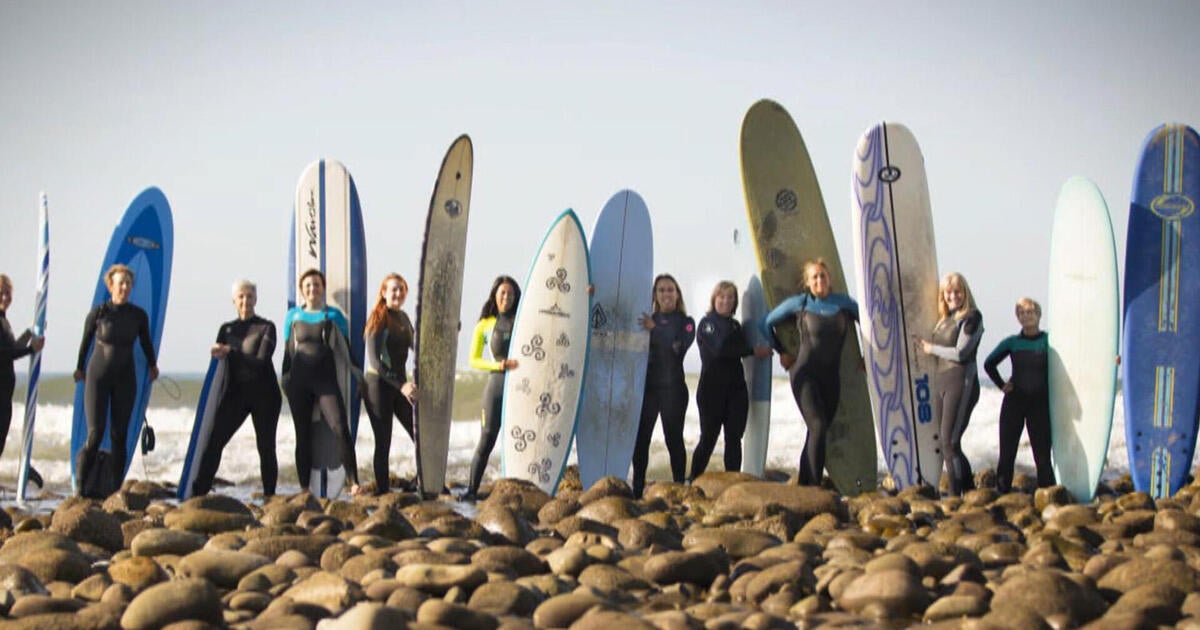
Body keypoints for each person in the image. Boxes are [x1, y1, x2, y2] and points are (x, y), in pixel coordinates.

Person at [760, 259, 859, 487]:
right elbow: (764, 324)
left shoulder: (845, 304)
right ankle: (814, 489)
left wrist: (868, 359)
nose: (819, 280)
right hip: (805, 375)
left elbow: (870, 328)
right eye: (814, 277)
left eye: (823, 276)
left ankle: (804, 484)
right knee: (817, 426)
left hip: (831, 379)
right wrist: (782, 351)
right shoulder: (801, 304)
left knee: (817, 432)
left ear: (829, 279)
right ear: (807, 282)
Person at [74, 263, 159, 497]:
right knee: (95, 434)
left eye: (128, 283)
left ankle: (114, 491)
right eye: (120, 282)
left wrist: (152, 366)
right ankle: (80, 490)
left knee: (119, 435)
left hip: (125, 378)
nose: (124, 287)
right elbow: (85, 342)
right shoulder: (99, 313)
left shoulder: (138, 315)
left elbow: (146, 343)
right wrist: (79, 368)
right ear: (111, 285)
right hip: (97, 376)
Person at [191, 280, 282, 497]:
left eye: (250, 296)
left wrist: (230, 351)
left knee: (266, 447)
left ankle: (270, 496)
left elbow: (260, 361)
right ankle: (198, 493)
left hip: (265, 396)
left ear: (256, 300)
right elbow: (219, 368)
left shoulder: (266, 327)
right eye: (241, 296)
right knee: (214, 440)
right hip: (237, 395)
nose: (245, 301)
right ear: (234, 301)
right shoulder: (226, 329)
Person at [281, 268, 361, 496]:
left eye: (316, 284)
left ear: (322, 288)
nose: (312, 288)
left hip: (326, 381)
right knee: (302, 434)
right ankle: (304, 487)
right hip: (299, 383)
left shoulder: (334, 316)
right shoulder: (293, 316)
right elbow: (288, 353)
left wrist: (359, 377)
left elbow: (346, 350)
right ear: (302, 290)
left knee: (340, 427)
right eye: (308, 285)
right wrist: (285, 381)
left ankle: (353, 482)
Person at [690, 281, 770, 480]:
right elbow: (719, 350)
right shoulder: (707, 324)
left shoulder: (736, 325)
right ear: (714, 299)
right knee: (708, 439)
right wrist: (752, 351)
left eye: (730, 297)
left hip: (736, 391)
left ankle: (733, 482)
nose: (726, 301)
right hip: (711, 391)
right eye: (721, 297)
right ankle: (692, 479)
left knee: (734, 439)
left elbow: (743, 347)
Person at [915, 272, 984, 496]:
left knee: (950, 441)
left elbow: (962, 352)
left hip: (962, 381)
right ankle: (969, 490)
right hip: (941, 382)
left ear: (965, 293)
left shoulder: (972, 317)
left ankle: (955, 496)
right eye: (948, 292)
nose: (953, 296)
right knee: (948, 442)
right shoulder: (943, 320)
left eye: (957, 291)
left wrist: (931, 349)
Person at [632, 273, 695, 498]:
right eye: (661, 290)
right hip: (648, 389)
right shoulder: (644, 320)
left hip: (673, 390)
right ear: (655, 296)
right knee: (641, 439)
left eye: (670, 289)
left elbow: (678, 347)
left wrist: (655, 329)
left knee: (673, 438)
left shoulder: (687, 323)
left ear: (677, 294)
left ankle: (679, 485)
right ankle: (637, 488)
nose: (666, 294)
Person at [983, 297, 1054, 493]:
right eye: (1022, 313)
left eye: (1030, 312)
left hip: (1039, 405)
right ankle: (1002, 492)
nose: (1026, 316)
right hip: (1014, 403)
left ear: (1038, 315)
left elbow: (1073, 358)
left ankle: (1047, 493)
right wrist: (1001, 385)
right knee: (1007, 452)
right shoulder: (1012, 343)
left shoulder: (1049, 340)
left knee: (1042, 454)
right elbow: (989, 364)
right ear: (1018, 318)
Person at [465, 275, 521, 499]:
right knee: (487, 436)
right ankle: (471, 490)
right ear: (495, 296)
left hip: (520, 386)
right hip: (496, 384)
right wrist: (497, 365)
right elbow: (473, 359)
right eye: (502, 293)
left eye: (510, 294)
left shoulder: (524, 322)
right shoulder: (485, 325)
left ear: (516, 297)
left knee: (519, 437)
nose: (506, 298)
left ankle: (522, 489)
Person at [362, 273, 417, 494]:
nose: (398, 293)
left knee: (418, 434)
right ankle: (383, 492)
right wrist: (402, 385)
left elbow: (418, 346)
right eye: (393, 289)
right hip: (378, 386)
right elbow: (375, 361)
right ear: (383, 293)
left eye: (401, 289)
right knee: (383, 440)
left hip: (398, 385)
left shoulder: (403, 318)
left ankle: (423, 479)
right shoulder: (377, 318)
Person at [1, 274, 45, 470]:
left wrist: (30, 333)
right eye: (1, 292)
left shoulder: (4, 321)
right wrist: (31, 349)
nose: (5, 297)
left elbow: (12, 348)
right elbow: (4, 354)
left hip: (4, 397)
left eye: (8, 293)